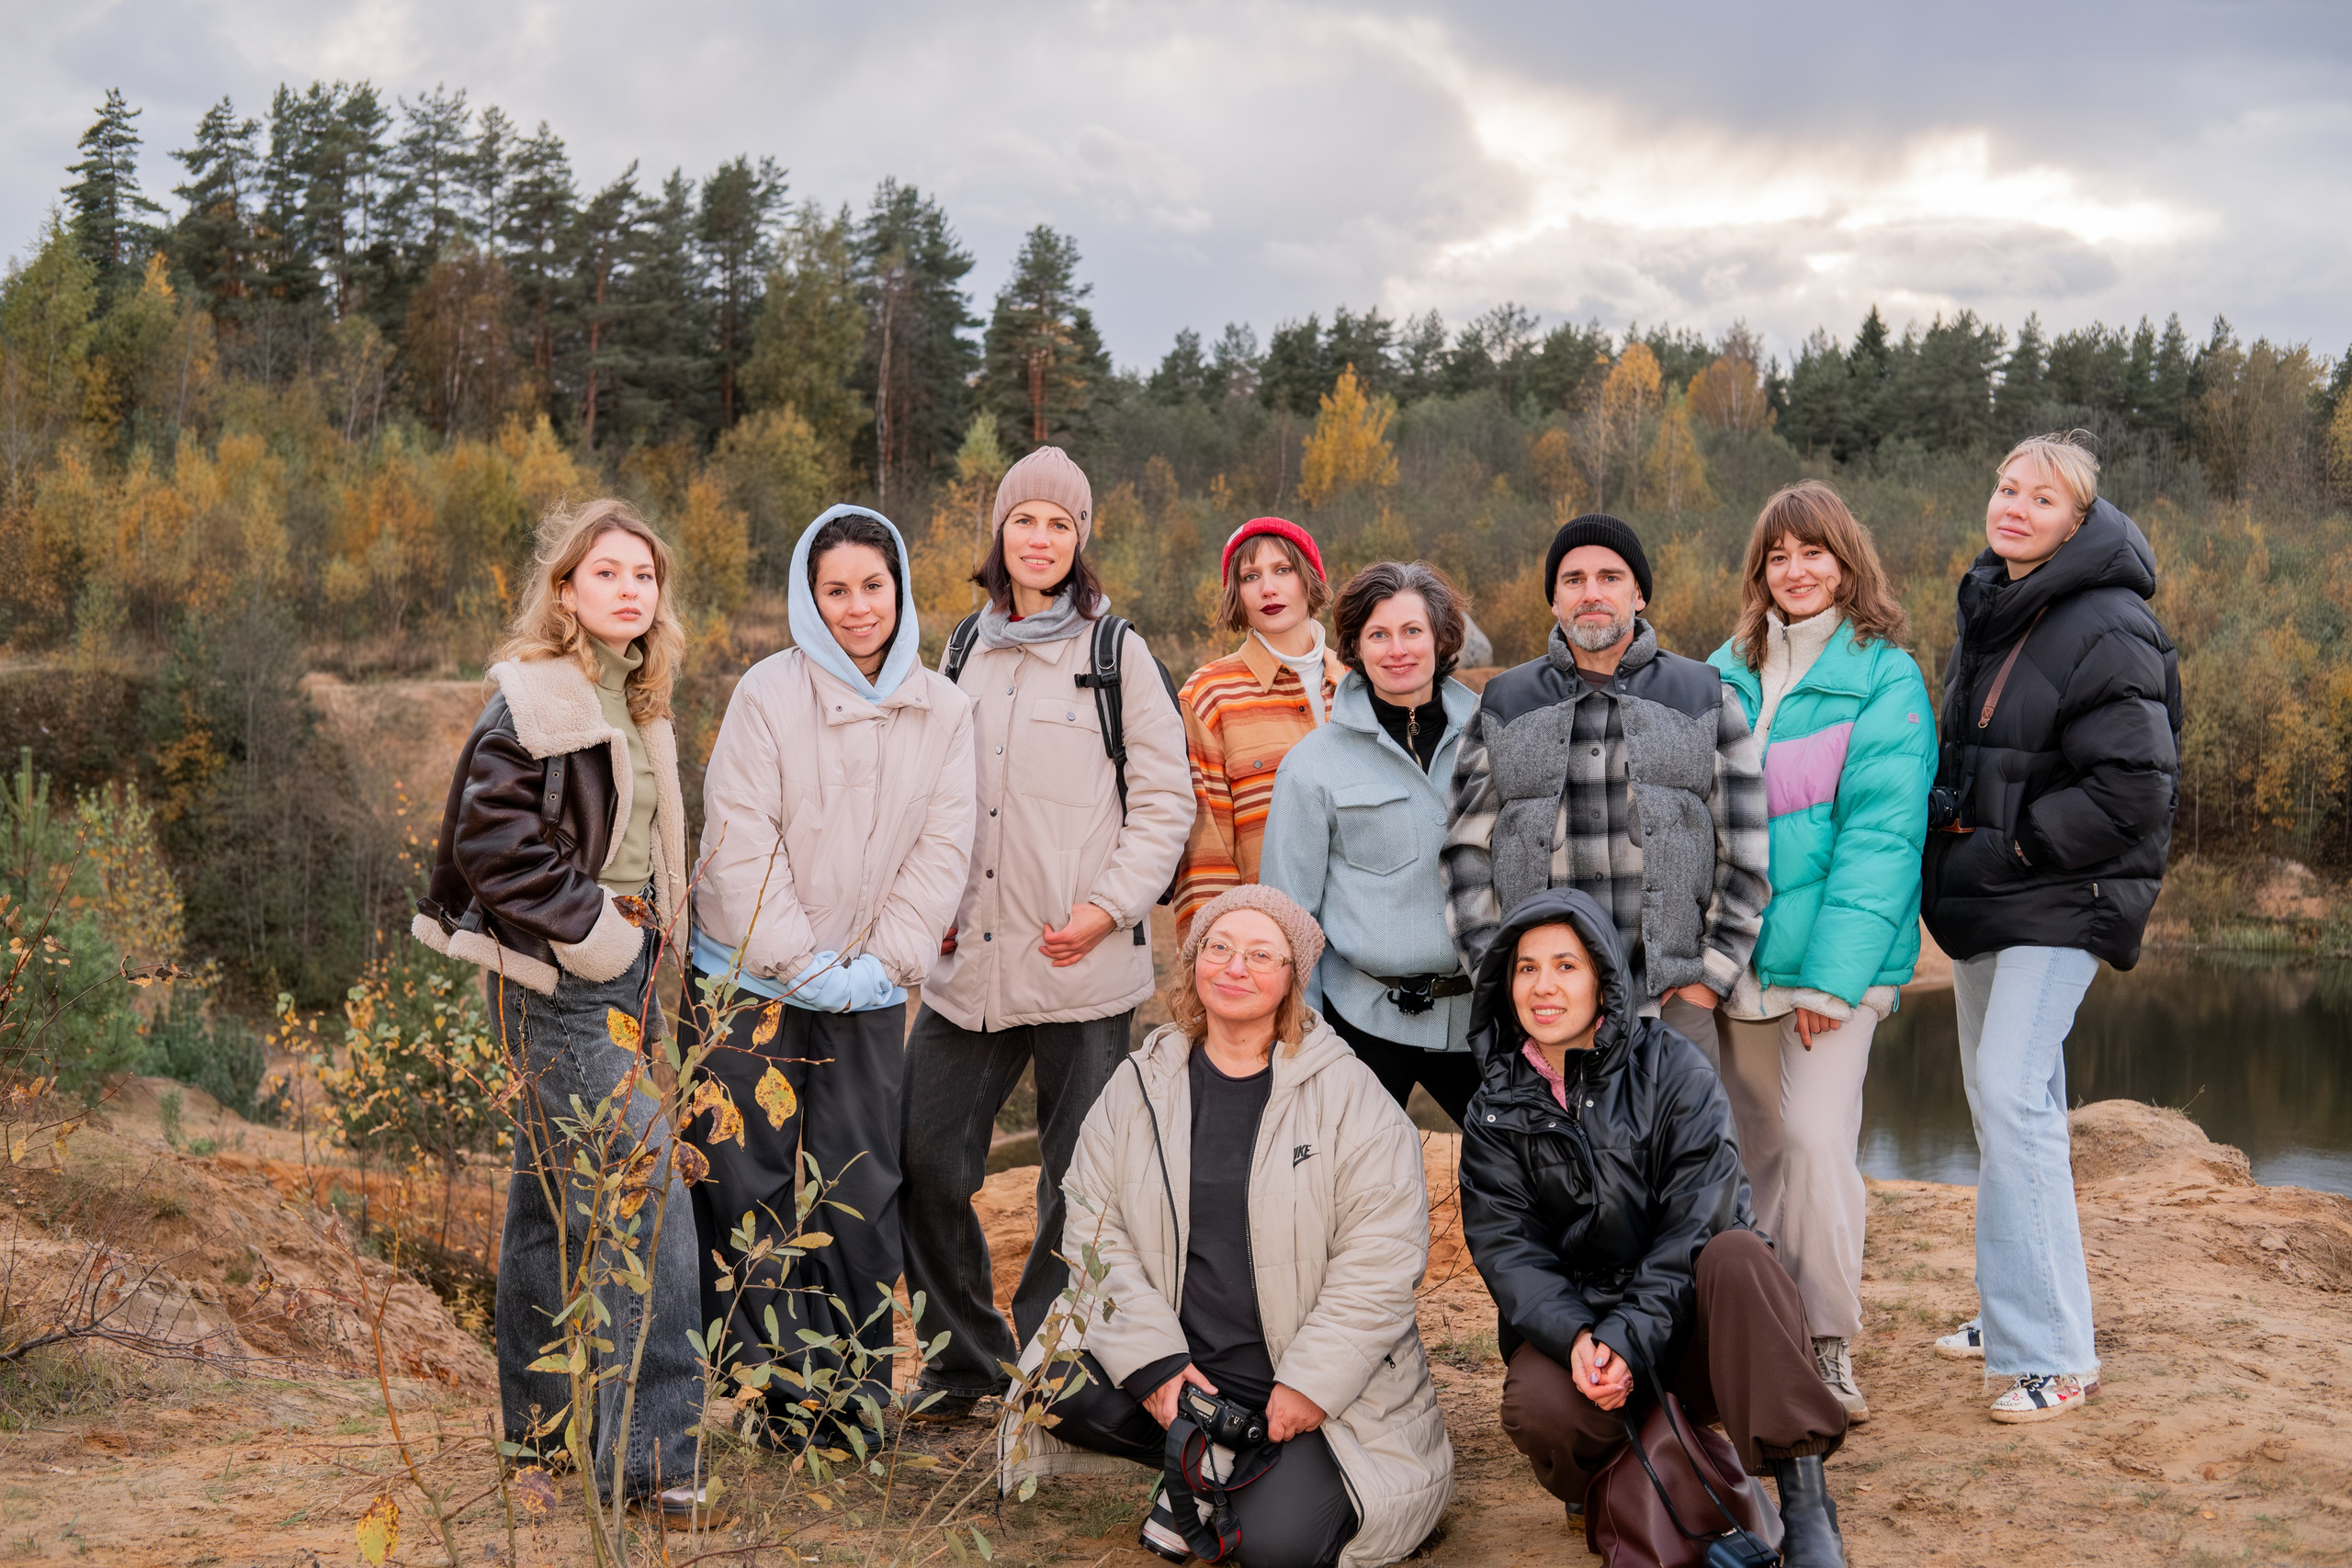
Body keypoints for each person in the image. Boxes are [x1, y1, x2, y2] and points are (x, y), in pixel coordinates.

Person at [412, 499, 715, 1528]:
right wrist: (601, 934)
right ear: (565, 592)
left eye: (644, 576)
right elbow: (489, 840)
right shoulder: (534, 698)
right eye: (607, 572)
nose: (630, 589)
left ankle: (534, 1444)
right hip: (562, 977)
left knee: (547, 1211)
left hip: (623, 975)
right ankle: (652, 1462)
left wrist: (651, 953)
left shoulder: (640, 695)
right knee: (648, 1189)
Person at [999, 886, 1453, 1568]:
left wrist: (1311, 1384)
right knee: (1053, 1384)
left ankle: (1223, 1467)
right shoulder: (1140, 1083)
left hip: (1303, 1385)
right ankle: (1203, 1452)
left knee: (1278, 1549)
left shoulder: (1351, 1095)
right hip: (1185, 1363)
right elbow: (1094, 1224)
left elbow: (1381, 1259)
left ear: (1291, 978)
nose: (1235, 967)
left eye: (1261, 954)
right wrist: (1156, 1366)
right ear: (1193, 963)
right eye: (1219, 947)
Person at [901, 446, 1194, 1421]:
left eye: (1059, 525)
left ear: (1079, 543)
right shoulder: (955, 651)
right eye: (1024, 520)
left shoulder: (1118, 654)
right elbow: (929, 800)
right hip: (964, 967)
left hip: (1079, 962)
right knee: (926, 1161)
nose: (1040, 539)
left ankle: (1050, 1375)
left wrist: (1106, 909)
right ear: (999, 535)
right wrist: (930, 904)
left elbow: (1164, 803)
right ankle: (961, 1361)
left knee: (1076, 1186)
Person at [680, 504, 974, 1445]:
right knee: (750, 1178)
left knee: (859, 1178)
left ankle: (849, 1394)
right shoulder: (766, 695)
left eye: (872, 587)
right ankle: (776, 1392)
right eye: (834, 590)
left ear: (902, 591)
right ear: (809, 598)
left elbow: (943, 848)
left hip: (866, 990)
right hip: (748, 984)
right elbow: (739, 839)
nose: (856, 608)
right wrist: (797, 962)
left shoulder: (944, 708)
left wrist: (880, 967)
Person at [1458, 888, 1849, 1566]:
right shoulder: (1493, 1106)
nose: (1543, 986)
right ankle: (1611, 1475)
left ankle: (1807, 1503)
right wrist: (1580, 1338)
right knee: (1536, 1405)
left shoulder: (1674, 1069)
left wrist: (1626, 1336)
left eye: (1565, 966)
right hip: (1586, 1339)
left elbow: (1695, 1225)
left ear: (1603, 978)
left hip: (1693, 1327)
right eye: (1526, 968)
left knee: (1739, 1255)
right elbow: (1509, 1253)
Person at [1922, 433, 2181, 1424]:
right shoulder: (1997, 603)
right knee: (2003, 1104)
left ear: (2078, 522)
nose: (2014, 505)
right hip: (1995, 892)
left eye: (2041, 497)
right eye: (2004, 486)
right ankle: (2011, 1306)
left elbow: (2133, 791)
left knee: (2009, 1095)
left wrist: (2015, 849)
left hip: (2058, 895)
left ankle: (2058, 1355)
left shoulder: (2106, 621)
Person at [1702, 482, 1938, 1424]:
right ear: (1758, 571)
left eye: (1814, 554)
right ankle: (1765, 1340)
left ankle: (1829, 1340)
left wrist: (1832, 982)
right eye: (1777, 557)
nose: (1795, 572)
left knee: (1814, 1144)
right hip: (1732, 968)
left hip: (1829, 973)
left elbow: (1879, 841)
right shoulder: (1720, 671)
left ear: (1847, 562)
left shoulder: (1885, 677)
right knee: (1749, 1155)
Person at [1441, 513, 1770, 1066]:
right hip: (1542, 1012)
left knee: (1681, 1155)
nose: (1591, 593)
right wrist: (1497, 979)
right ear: (1554, 601)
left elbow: (1746, 853)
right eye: (1573, 580)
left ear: (1639, 593)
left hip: (1673, 1008)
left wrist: (1708, 980)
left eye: (1610, 577)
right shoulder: (1500, 704)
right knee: (1551, 1155)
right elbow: (1465, 857)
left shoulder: (1706, 697)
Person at [1261, 561, 1482, 1128]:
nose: (1397, 649)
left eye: (1413, 631)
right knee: (1353, 1194)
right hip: (1361, 1019)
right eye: (1378, 635)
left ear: (1441, 637)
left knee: (1520, 1185)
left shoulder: (1495, 741)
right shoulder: (1314, 764)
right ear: (1355, 646)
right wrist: (1303, 1038)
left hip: (1483, 1018)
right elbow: (1289, 915)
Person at [1171, 517, 1347, 939]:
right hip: (1267, 945)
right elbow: (1205, 852)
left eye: (1283, 570)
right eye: (1251, 576)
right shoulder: (1208, 695)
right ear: (1238, 594)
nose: (1268, 588)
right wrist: (1215, 957)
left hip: (1366, 951)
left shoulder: (1362, 685)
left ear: (1310, 579)